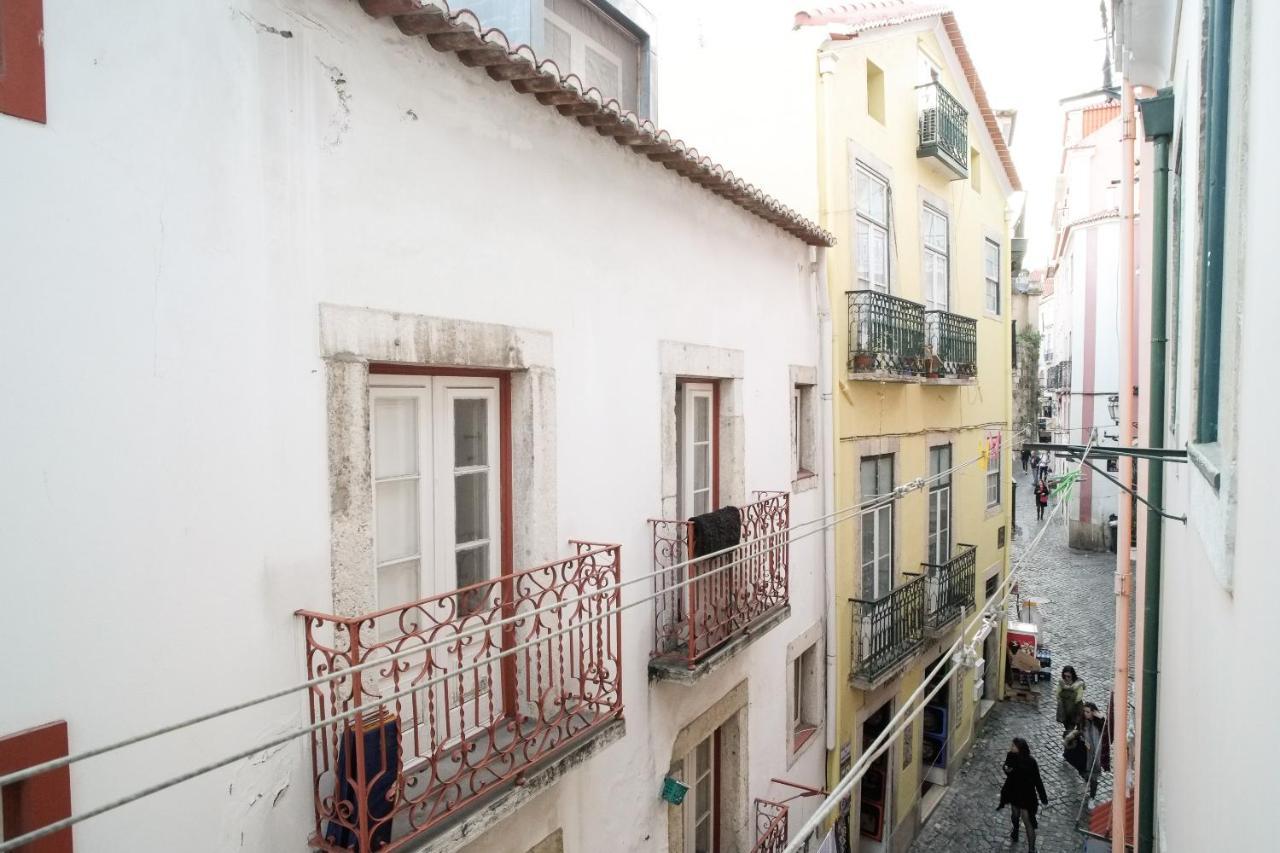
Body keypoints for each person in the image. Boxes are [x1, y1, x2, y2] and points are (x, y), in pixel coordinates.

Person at [997, 737, 1049, 852]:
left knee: (1028, 822)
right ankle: (1016, 831)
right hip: (1016, 792)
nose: (1011, 748)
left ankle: (1031, 849)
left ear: (1020, 748)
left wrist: (1043, 797)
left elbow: (1037, 780)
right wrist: (1006, 769)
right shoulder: (1012, 756)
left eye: (1013, 746)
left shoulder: (1031, 762)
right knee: (1015, 815)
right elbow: (1006, 767)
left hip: (1026, 795)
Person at [1055, 666, 1086, 734]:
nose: (1066, 678)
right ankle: (1070, 741)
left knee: (1080, 725)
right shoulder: (1062, 682)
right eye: (1065, 676)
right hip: (1065, 709)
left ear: (1072, 675)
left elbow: (1079, 696)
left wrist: (1071, 698)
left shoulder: (1078, 682)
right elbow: (1057, 693)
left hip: (1076, 708)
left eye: (1068, 676)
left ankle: (1078, 739)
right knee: (1068, 728)